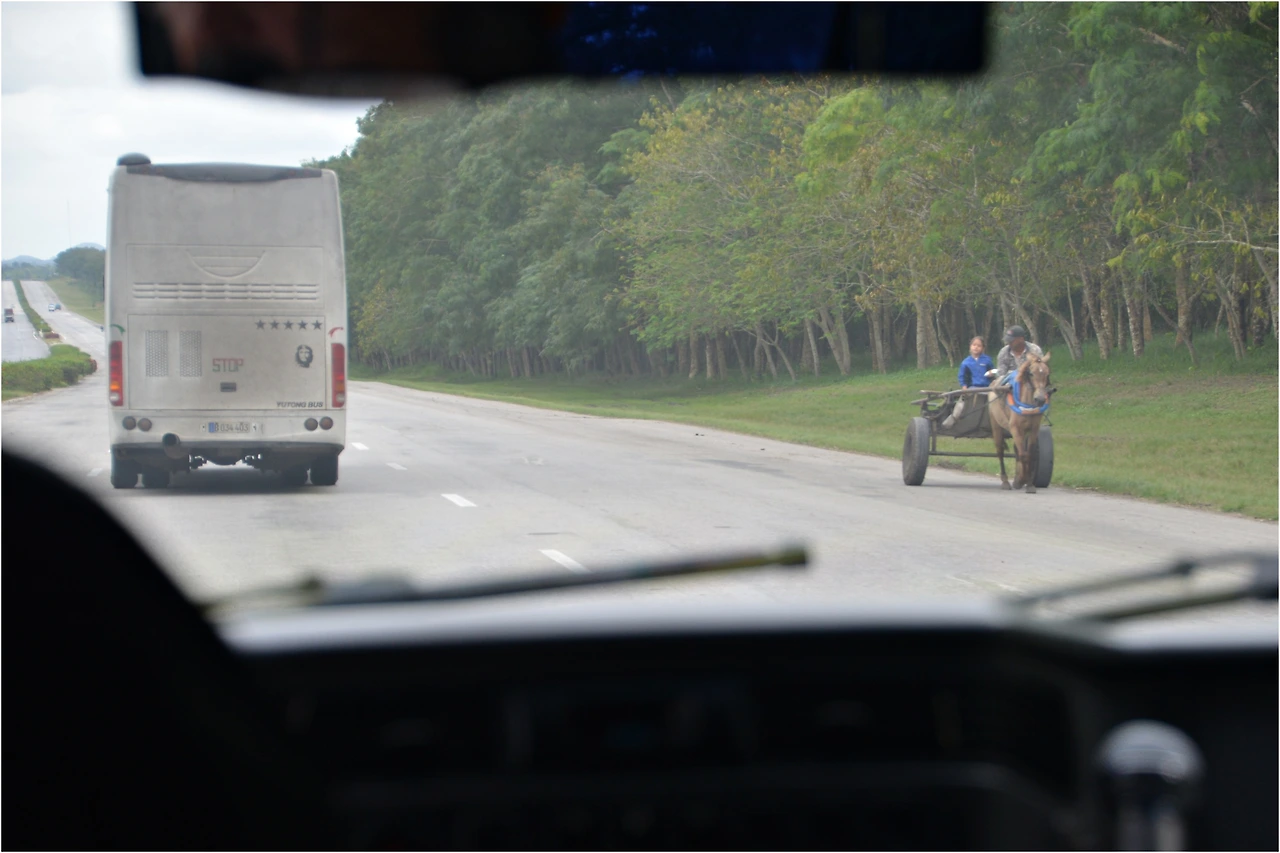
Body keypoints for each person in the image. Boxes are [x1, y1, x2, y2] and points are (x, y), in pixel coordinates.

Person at [942, 336, 993, 427]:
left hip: (987, 388)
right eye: (974, 345)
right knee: (962, 401)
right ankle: (954, 418)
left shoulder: (987, 360)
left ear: (983, 348)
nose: (976, 347)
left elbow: (993, 371)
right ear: (970, 346)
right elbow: (962, 376)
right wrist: (964, 386)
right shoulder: (966, 362)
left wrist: (992, 373)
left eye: (979, 346)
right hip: (972, 388)